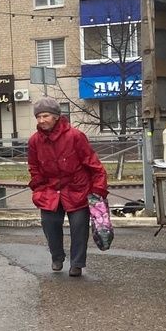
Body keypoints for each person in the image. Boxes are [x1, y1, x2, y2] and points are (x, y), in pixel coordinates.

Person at [27, 97, 108, 278]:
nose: (41, 121)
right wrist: (39, 187)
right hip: (50, 189)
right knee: (49, 223)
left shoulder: (75, 136)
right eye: (38, 117)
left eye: (45, 116)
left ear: (56, 116)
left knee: (79, 227)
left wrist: (98, 189)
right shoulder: (34, 141)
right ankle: (57, 257)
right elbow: (33, 166)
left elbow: (93, 164)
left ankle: (77, 264)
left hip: (77, 189)